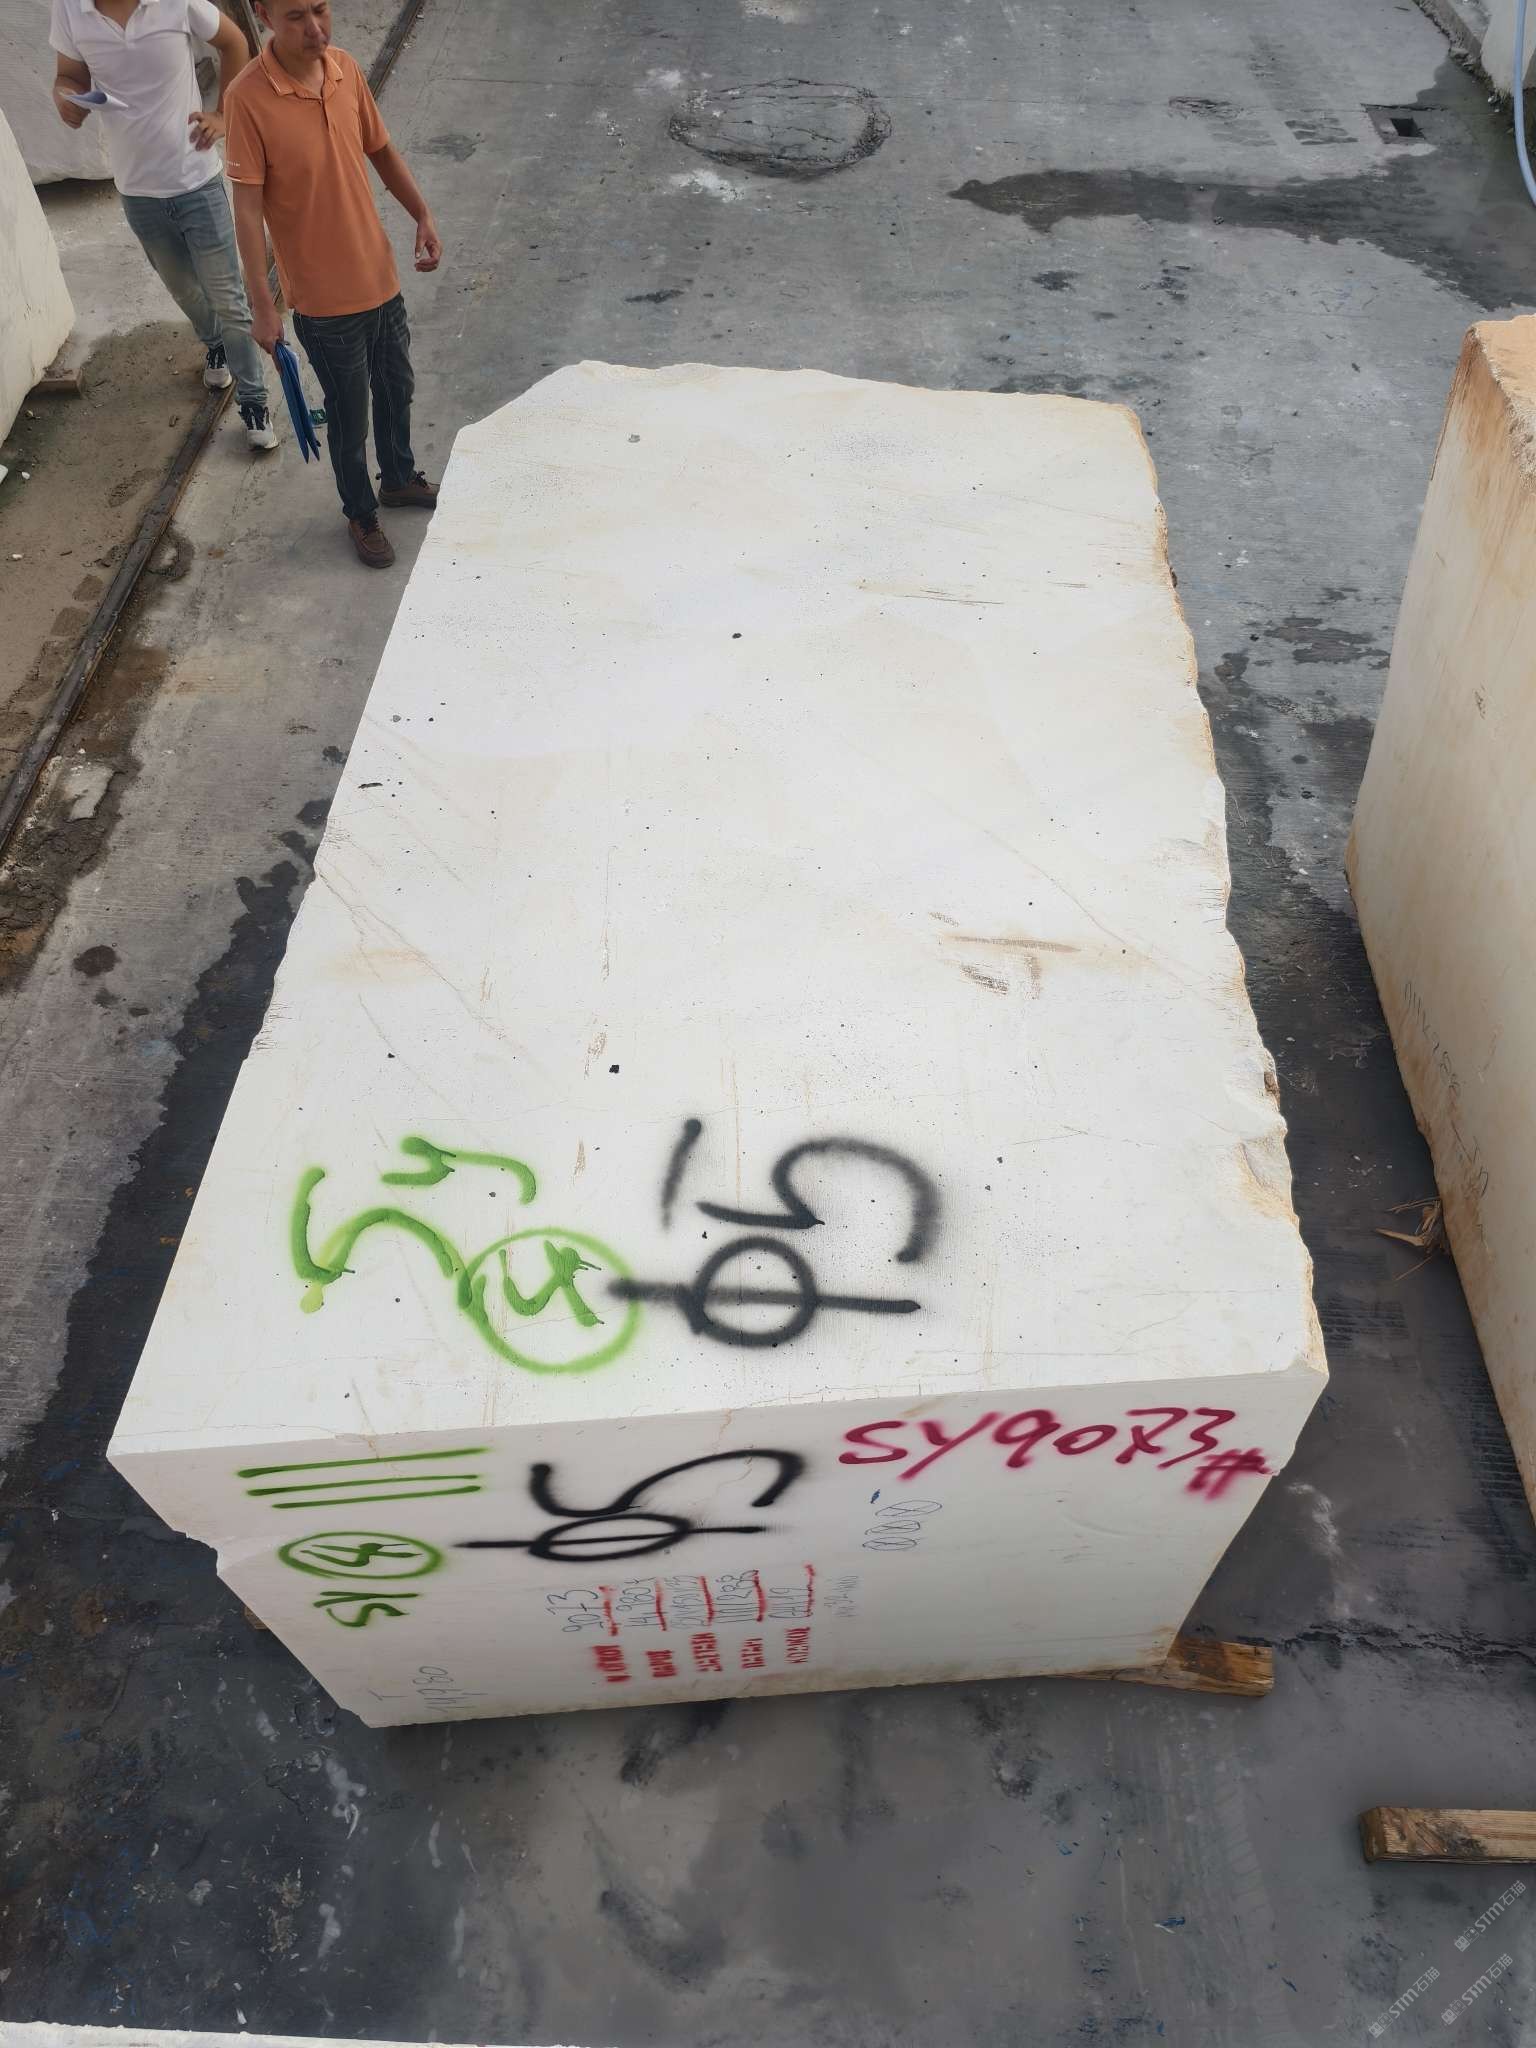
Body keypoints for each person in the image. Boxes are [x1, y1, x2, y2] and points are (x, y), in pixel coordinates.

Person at [224, 0, 442, 568]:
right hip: (323, 303)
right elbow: (246, 211)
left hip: (380, 277)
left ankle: (398, 478)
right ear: (264, 15)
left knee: (397, 388)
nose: (315, 28)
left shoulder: (344, 68)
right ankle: (361, 511)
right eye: (296, 16)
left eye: (321, 9)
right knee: (349, 416)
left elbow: (380, 149)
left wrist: (421, 213)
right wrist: (262, 305)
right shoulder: (247, 98)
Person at [50, 0, 278, 453]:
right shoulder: (71, 9)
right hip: (138, 191)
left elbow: (235, 43)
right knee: (185, 291)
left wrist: (224, 115)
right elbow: (69, 76)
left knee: (229, 299)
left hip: (196, 182)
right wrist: (66, 98)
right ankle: (214, 343)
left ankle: (254, 401)